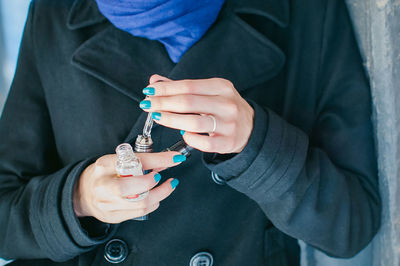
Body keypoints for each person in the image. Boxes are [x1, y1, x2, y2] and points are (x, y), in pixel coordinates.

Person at [0, 0, 381, 265]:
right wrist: (78, 200)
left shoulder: (306, 11)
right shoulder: (53, 13)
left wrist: (256, 145)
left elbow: (351, 227)